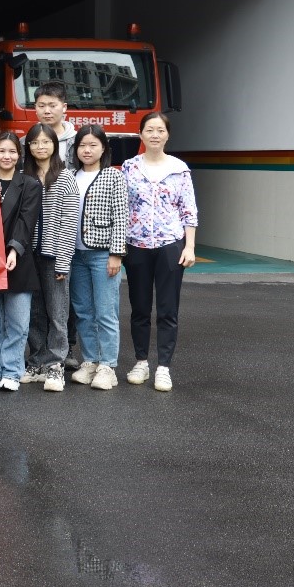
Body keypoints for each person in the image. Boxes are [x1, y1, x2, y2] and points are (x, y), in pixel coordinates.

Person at [121, 112, 198, 393]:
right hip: (136, 245)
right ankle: (141, 362)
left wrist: (189, 246)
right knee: (140, 308)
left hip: (170, 245)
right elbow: (122, 207)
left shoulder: (179, 169)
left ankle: (163, 367)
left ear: (167, 135)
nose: (155, 135)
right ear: (141, 134)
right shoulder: (129, 167)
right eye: (150, 130)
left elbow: (188, 210)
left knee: (168, 309)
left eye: (160, 130)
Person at [0, 132, 42, 391]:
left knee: (17, 322)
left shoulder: (30, 184)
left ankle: (13, 371)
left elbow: (27, 221)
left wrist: (14, 250)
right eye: (1, 151)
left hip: (19, 260)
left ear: (19, 155)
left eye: (12, 151)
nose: (7, 156)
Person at [67, 124, 129, 391]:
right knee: (83, 311)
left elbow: (122, 216)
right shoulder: (70, 176)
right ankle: (90, 360)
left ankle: (108, 366)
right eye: (82, 145)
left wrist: (116, 253)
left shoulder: (113, 176)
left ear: (103, 148)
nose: (87, 150)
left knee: (106, 311)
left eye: (93, 145)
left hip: (103, 253)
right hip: (75, 254)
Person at [21, 123, 79, 393]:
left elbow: (69, 223)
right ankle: (36, 361)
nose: (40, 147)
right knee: (34, 312)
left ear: (55, 145)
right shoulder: (25, 176)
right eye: (34, 142)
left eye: (45, 142)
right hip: (29, 255)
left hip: (55, 255)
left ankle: (55, 364)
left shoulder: (65, 177)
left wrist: (64, 260)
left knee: (57, 312)